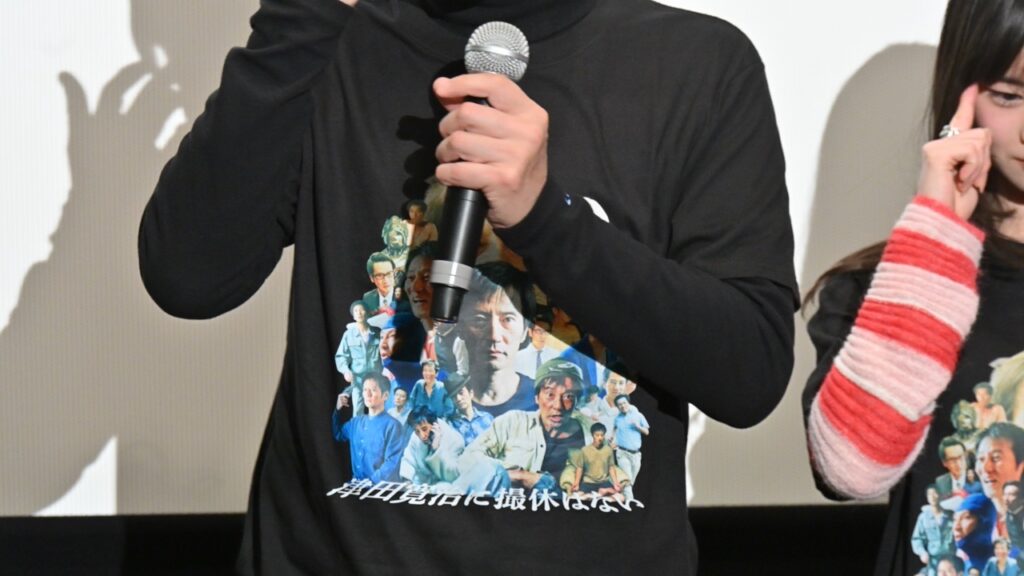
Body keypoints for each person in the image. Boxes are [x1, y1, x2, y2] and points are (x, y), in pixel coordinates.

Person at [137, 0, 796, 572]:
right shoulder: (329, 38)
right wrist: (302, 18)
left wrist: (545, 221)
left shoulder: (691, 63)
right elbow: (189, 277)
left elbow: (749, 371)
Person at [801, 1, 1024, 573]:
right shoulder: (881, 286)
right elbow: (851, 470)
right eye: (1009, 95)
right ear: (962, 94)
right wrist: (933, 235)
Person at [457, 359, 595, 496]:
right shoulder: (512, 423)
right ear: (536, 397)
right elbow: (467, 459)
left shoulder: (593, 433)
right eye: (550, 394)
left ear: (577, 400)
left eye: (568, 396)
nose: (558, 406)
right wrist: (519, 475)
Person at [457, 261, 539, 417]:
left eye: (507, 319)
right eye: (480, 320)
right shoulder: (442, 398)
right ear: (461, 327)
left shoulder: (545, 404)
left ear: (525, 330)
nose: (494, 336)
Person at [331, 374, 405, 483]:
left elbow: (392, 462)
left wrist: (371, 482)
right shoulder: (355, 423)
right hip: (356, 486)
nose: (368, 394)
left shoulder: (393, 426)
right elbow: (338, 434)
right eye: (365, 390)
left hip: (380, 487)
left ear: (385, 395)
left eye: (373, 390)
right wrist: (337, 410)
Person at [334, 300, 382, 415]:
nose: (359, 313)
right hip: (358, 379)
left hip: (376, 378)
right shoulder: (348, 335)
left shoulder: (377, 332)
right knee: (357, 411)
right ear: (353, 315)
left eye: (362, 310)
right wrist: (346, 371)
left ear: (367, 312)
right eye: (356, 311)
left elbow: (385, 354)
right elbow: (341, 356)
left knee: (377, 409)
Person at [399, 406, 465, 487]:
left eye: (424, 429)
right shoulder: (415, 436)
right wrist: (407, 481)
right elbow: (408, 459)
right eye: (417, 431)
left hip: (446, 486)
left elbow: (452, 476)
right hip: (422, 485)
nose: (422, 436)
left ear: (435, 424)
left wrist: (436, 450)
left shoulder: (455, 440)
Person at [563, 422, 625, 500]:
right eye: (597, 435)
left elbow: (611, 467)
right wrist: (576, 483)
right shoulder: (585, 450)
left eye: (602, 435)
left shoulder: (608, 450)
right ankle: (596, 495)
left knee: (621, 498)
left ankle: (599, 495)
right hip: (588, 483)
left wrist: (615, 483)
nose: (600, 438)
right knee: (572, 498)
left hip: (603, 483)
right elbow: (580, 468)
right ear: (593, 435)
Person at [912, 484, 956, 576]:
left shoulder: (950, 515)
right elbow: (916, 539)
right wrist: (922, 553)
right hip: (933, 560)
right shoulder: (923, 517)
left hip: (950, 559)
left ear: (940, 495)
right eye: (929, 494)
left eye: (935, 493)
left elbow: (959, 536)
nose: (932, 497)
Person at [445, 373, 494, 446]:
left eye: (461, 393)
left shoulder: (487, 418)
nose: (458, 399)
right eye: (454, 396)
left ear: (471, 393)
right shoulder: (451, 425)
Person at [513, 313, 560, 380]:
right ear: (530, 332)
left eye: (546, 331)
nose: (542, 335)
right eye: (539, 331)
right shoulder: (518, 357)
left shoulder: (556, 356)